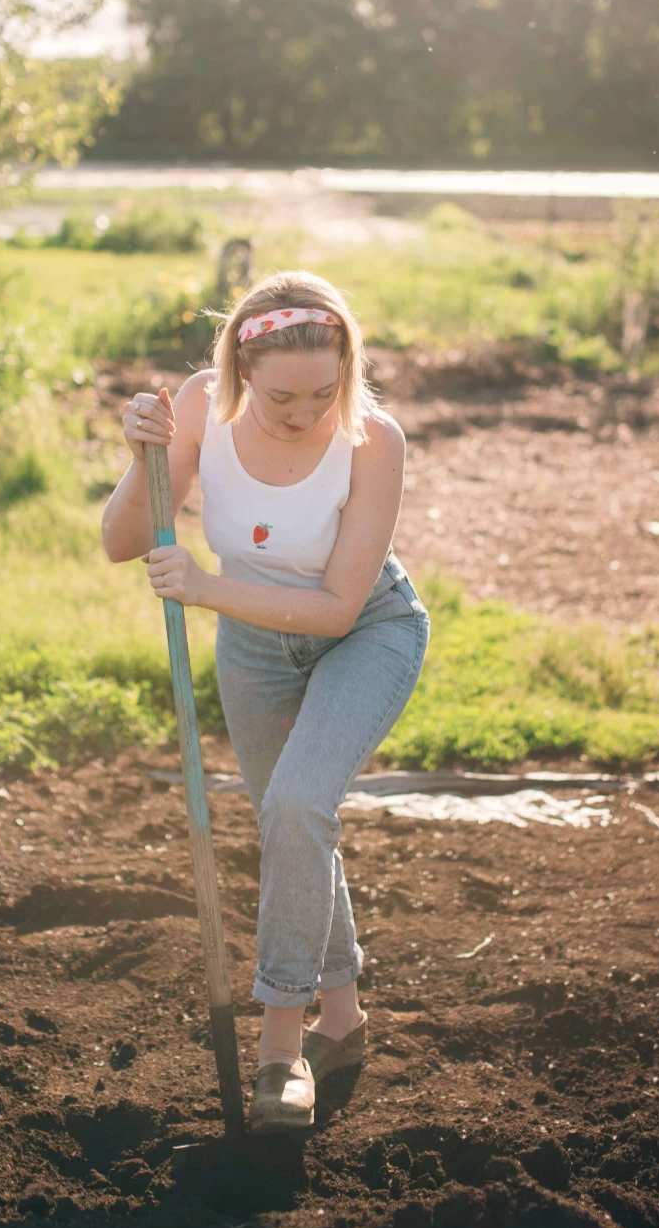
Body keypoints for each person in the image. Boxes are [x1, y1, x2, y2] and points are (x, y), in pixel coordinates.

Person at [101, 271, 429, 1135]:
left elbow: (338, 608)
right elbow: (121, 541)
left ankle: (282, 1057)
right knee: (293, 819)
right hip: (254, 645)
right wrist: (143, 460)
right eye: (282, 397)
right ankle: (343, 1021)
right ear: (241, 370)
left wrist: (206, 589)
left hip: (365, 633)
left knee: (295, 804)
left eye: (325, 393)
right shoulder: (199, 406)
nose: (304, 414)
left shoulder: (373, 439)